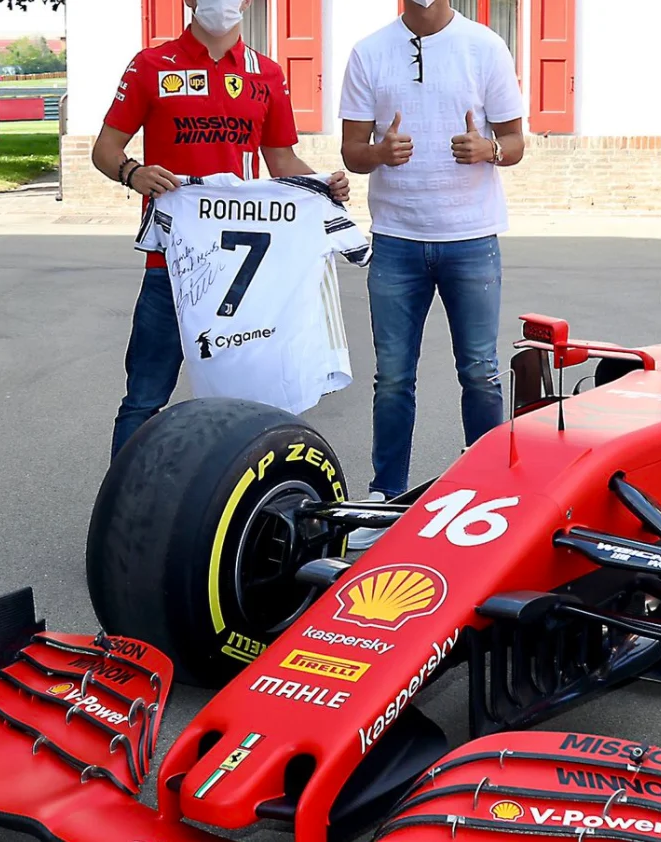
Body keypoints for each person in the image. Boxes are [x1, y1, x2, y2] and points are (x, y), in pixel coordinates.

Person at [91, 0, 350, 460]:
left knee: (248, 400)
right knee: (144, 399)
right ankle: (121, 513)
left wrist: (321, 186)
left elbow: (283, 161)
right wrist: (132, 171)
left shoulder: (265, 73)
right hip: (172, 262)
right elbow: (105, 148)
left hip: (245, 273)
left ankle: (239, 505)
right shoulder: (152, 64)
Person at [336, 0, 526, 549]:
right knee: (393, 377)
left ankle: (489, 498)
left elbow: (516, 143)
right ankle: (385, 498)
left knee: (480, 372)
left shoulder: (484, 46)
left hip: (471, 237)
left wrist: (488, 148)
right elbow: (351, 151)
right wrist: (379, 152)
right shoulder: (369, 52)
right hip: (397, 238)